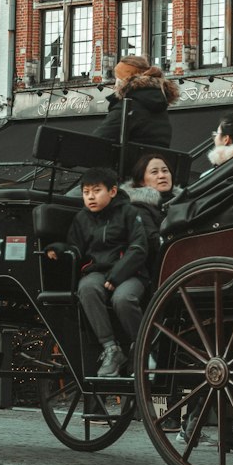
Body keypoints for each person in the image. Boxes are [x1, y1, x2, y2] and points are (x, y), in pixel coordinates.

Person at [47, 166, 149, 378]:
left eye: (96, 191)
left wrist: (116, 276)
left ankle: (142, 349)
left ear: (112, 191)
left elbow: (138, 248)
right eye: (86, 192)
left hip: (131, 273)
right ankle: (111, 349)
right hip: (97, 271)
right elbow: (76, 248)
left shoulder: (129, 212)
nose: (90, 197)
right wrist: (60, 248)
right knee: (86, 288)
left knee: (123, 299)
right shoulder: (82, 218)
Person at [95, 56, 180, 152]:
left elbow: (100, 139)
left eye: (117, 78)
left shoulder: (128, 106)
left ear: (123, 81)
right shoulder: (159, 106)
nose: (114, 85)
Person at [125, 154, 180, 276]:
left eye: (165, 171)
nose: (162, 176)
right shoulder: (138, 207)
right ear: (142, 181)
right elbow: (153, 240)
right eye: (154, 172)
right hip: (158, 266)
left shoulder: (183, 202)